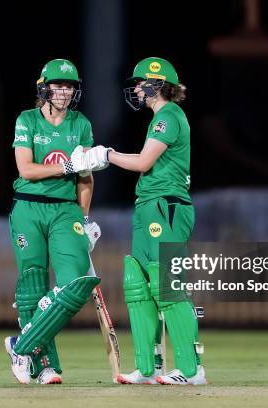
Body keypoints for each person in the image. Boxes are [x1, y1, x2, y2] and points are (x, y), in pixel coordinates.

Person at [88, 57, 206, 385]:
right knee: (139, 285)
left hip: (166, 205)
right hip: (147, 205)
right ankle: (148, 367)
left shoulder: (169, 115)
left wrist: (106, 155)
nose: (137, 88)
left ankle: (191, 369)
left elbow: (143, 162)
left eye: (141, 82)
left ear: (157, 83)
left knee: (167, 283)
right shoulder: (160, 118)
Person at [4, 59, 104, 385]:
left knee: (74, 283)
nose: (64, 91)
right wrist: (66, 167)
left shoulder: (81, 124)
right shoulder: (27, 119)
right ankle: (46, 365)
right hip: (28, 208)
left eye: (70, 86)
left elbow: (85, 178)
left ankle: (22, 346)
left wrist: (85, 219)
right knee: (33, 286)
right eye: (58, 85)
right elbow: (26, 170)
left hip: (65, 210)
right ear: (44, 87)